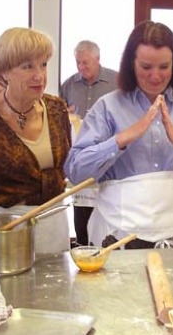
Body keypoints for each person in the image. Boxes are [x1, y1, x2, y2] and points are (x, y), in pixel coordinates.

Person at [64, 21, 173, 249]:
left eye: (164, 67)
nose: (156, 76)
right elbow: (76, 171)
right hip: (118, 235)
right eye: (146, 67)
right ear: (131, 64)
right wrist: (120, 140)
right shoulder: (107, 107)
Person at [0, 27, 72, 253]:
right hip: (4, 228)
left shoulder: (57, 109)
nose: (40, 75)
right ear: (4, 71)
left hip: (53, 222)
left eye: (44, 64)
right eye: (28, 66)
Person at [59, 40, 119, 246]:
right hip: (82, 157)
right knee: (82, 212)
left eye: (86, 63)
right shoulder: (69, 85)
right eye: (78, 63)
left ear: (98, 59)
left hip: (109, 157)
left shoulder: (117, 82)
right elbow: (59, 117)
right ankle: (83, 247)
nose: (81, 68)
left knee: (105, 215)